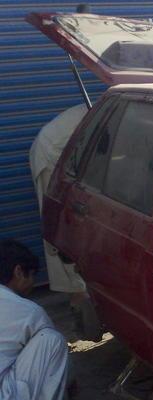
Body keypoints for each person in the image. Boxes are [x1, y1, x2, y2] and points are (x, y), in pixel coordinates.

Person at [0, 239, 69, 400]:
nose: (32, 284)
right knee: (51, 340)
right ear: (18, 271)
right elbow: (46, 358)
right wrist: (65, 385)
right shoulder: (27, 310)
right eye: (31, 275)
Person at [29, 104, 88, 305]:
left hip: (68, 154)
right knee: (58, 224)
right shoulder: (126, 111)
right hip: (51, 154)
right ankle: (76, 294)